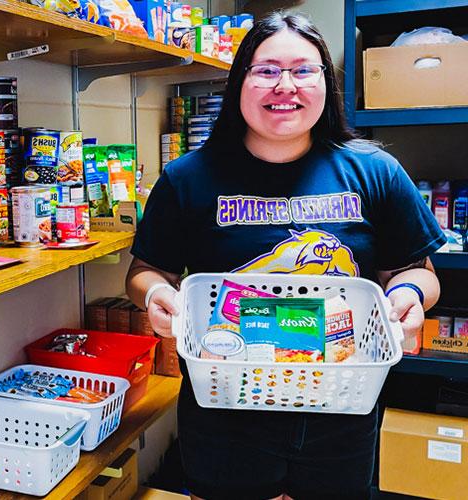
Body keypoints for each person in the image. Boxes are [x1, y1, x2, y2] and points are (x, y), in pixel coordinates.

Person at [126, 12, 446, 500]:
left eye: (303, 70)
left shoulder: (375, 171)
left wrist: (406, 295)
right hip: (225, 408)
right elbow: (146, 271)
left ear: (325, 82)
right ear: (240, 83)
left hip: (340, 408)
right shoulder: (188, 178)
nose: (286, 85)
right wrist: (157, 295)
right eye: (267, 69)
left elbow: (417, 272)